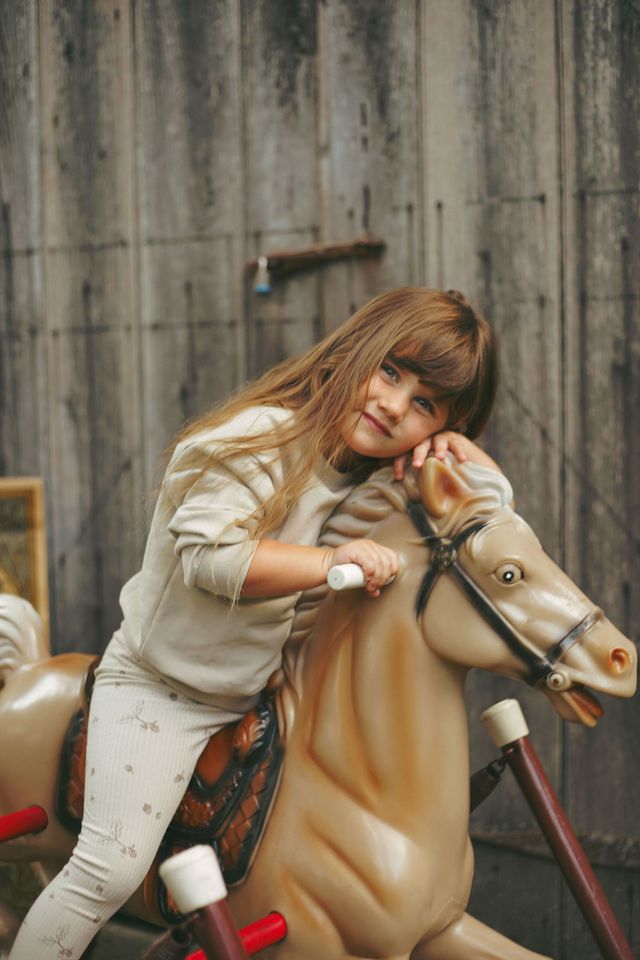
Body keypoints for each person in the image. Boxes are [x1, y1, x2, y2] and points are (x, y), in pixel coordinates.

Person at [9, 286, 500, 959]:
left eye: (426, 404)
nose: (393, 405)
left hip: (258, 695)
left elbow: (476, 523)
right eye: (390, 371)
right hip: (162, 689)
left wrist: (461, 449)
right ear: (355, 348)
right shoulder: (258, 440)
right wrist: (332, 561)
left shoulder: (366, 472)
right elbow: (213, 558)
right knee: (109, 868)